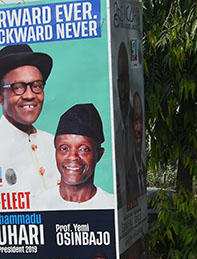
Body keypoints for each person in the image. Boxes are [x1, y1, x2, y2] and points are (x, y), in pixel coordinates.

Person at [0, 43, 57, 200]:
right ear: (0, 95)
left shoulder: (56, 144)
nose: (29, 95)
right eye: (18, 87)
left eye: (37, 86)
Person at [35, 103, 115, 209]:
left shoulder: (111, 205)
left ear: (99, 154)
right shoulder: (38, 205)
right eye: (64, 148)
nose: (73, 157)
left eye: (83, 149)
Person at [114, 42, 133, 209]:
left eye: (126, 79)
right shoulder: (115, 132)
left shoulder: (134, 126)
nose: (123, 88)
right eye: (120, 80)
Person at [126, 90, 147, 205]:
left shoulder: (142, 169)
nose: (139, 129)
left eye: (141, 121)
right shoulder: (127, 173)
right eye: (135, 120)